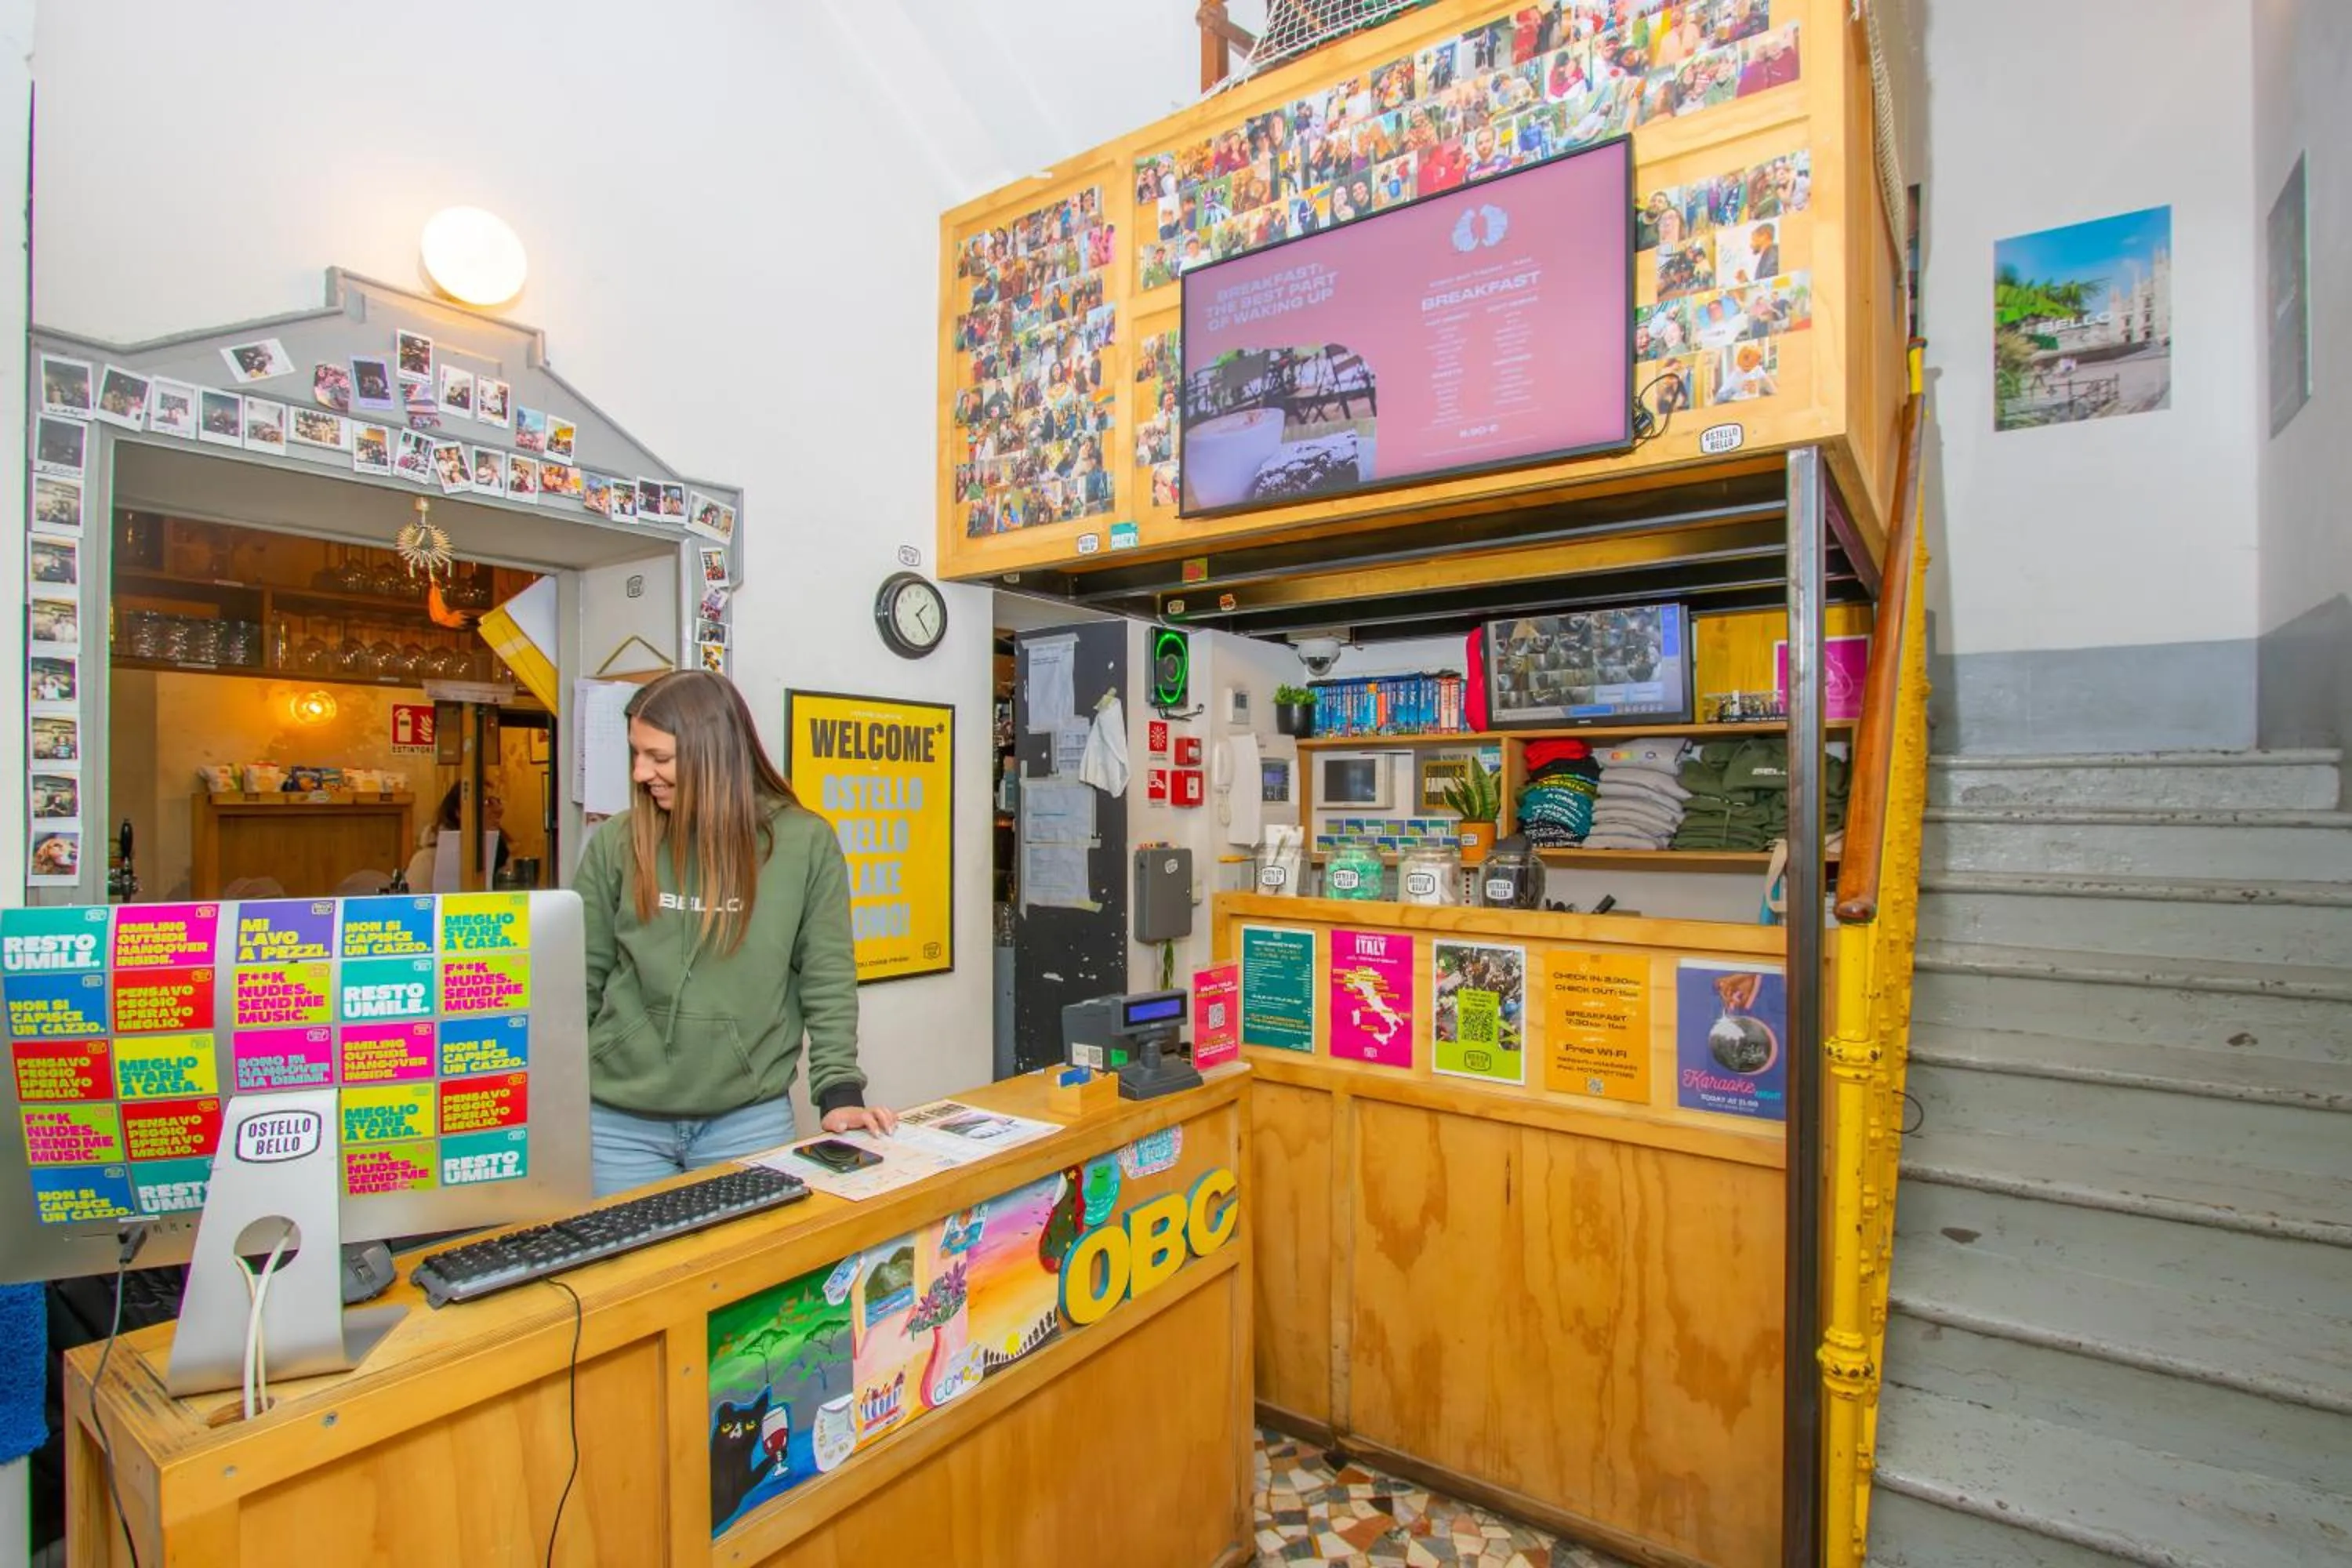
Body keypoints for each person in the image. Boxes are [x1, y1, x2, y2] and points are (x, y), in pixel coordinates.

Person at [576, 671, 895, 1197]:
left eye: (659, 757)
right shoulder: (619, 841)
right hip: (619, 1125)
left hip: (746, 1120)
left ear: (711, 753)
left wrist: (840, 1093)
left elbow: (827, 977)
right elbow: (579, 977)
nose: (641, 772)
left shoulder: (804, 843)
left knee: (747, 1275)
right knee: (635, 1277)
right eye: (636, 754)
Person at [406, 782, 510, 892]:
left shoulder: (503, 857)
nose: (499, 809)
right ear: (460, 812)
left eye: (498, 801)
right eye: (487, 802)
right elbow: (414, 906)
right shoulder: (427, 861)